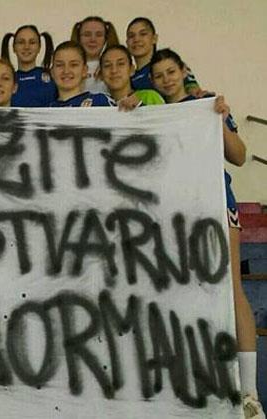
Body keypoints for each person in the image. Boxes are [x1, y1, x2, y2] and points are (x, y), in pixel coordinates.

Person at [150, 48, 265, 419]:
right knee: (183, 294)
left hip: (215, 204)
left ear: (184, 71)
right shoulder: (155, 115)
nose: (166, 79)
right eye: (158, 75)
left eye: (171, 71)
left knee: (231, 290)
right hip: (175, 212)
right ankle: (195, 384)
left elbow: (239, 155)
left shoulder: (206, 104)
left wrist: (220, 118)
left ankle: (249, 393)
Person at [126, 17, 200, 94]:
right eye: (131, 36)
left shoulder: (173, 65)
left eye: (143, 34)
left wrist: (193, 89)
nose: (136, 39)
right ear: (127, 43)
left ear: (154, 38)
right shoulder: (127, 77)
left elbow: (195, 92)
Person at [0, 25, 56, 107]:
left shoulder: (52, 76)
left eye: (32, 42)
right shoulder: (6, 80)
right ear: (14, 47)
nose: (26, 47)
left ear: (39, 47)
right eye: (21, 42)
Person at [48, 41, 115, 107]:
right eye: (59, 65)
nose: (66, 71)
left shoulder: (100, 101)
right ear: (52, 72)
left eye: (74, 65)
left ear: (84, 70)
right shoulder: (48, 109)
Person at [99, 45, 164, 106]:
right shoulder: (97, 103)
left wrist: (141, 106)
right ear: (101, 74)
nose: (114, 70)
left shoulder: (149, 97)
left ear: (131, 70)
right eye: (107, 65)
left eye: (120, 64)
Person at [70, 16, 119, 94]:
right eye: (87, 35)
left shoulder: (117, 67)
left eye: (99, 35)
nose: (93, 39)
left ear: (106, 39)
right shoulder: (66, 69)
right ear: (79, 38)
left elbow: (134, 93)